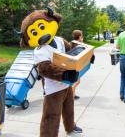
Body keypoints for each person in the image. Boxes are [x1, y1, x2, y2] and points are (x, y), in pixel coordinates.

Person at [20, 8, 83, 137]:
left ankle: (70, 127)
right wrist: (64, 74)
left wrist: (85, 55)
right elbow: (44, 69)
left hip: (66, 85)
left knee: (69, 109)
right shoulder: (40, 51)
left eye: (42, 27)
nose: (41, 34)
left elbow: (71, 50)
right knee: (51, 116)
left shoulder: (59, 40)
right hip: (53, 89)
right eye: (34, 32)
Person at [71, 30, 83, 100]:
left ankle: (73, 94)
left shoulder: (72, 42)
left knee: (75, 80)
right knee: (77, 81)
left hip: (72, 64)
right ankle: (72, 93)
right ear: (79, 36)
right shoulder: (79, 44)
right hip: (76, 65)